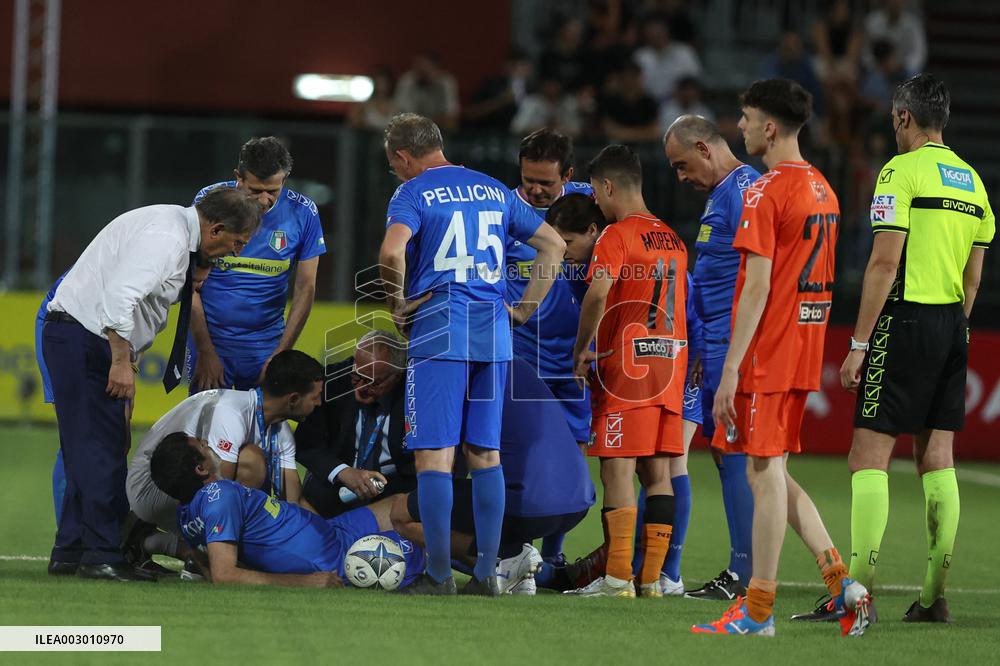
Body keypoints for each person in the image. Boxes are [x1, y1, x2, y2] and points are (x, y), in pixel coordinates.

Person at [691, 79, 869, 637]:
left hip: (768, 352)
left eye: (745, 118)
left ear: (770, 126)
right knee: (775, 469)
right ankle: (841, 583)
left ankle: (758, 610)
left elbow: (756, 288)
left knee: (762, 473)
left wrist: (730, 369)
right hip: (803, 347)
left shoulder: (764, 192)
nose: (738, 128)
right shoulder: (823, 188)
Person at [378, 113, 565, 595]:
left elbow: (392, 253)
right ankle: (487, 572)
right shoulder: (494, 190)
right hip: (494, 334)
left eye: (393, 164)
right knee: (484, 454)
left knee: (435, 459)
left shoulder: (412, 193)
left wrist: (397, 303)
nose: (394, 172)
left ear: (403, 157)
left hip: (440, 331)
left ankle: (439, 574)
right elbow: (554, 244)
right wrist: (522, 310)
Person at [42, 187, 261, 582]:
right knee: (99, 453)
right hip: (87, 341)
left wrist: (127, 361)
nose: (236, 251)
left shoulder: (171, 229)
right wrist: (122, 362)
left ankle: (71, 551)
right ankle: (101, 554)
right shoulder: (167, 238)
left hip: (84, 339)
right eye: (237, 242)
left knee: (91, 448)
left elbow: (132, 306)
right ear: (216, 229)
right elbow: (119, 298)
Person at [838, 74, 994, 624]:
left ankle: (858, 597)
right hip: (954, 324)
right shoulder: (974, 183)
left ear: (904, 117)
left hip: (903, 319)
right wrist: (953, 330)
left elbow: (883, 262)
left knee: (868, 458)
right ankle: (932, 598)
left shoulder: (900, 171)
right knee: (937, 458)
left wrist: (860, 344)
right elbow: (974, 280)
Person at [548, 192, 701, 596]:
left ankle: (616, 576)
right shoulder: (671, 238)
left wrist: (582, 350)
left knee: (616, 468)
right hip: (670, 362)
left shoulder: (616, 238)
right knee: (658, 474)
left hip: (629, 367)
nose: (564, 254)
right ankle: (651, 579)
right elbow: (688, 298)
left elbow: (598, 295)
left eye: (568, 243)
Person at [390, 358, 596, 595]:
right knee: (501, 478)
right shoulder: (517, 365)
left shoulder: (449, 373)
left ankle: (504, 562)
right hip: (579, 501)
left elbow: (445, 462)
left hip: (528, 507)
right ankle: (527, 569)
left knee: (401, 513)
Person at [663, 114, 761, 600]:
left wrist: (736, 355)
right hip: (717, 346)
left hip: (738, 349)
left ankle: (745, 574)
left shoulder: (747, 190)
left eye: (682, 165)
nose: (681, 177)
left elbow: (765, 274)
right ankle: (744, 570)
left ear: (704, 148)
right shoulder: (724, 195)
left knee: (738, 456)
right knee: (729, 456)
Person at [124, 348, 324, 570]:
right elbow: (218, 492)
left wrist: (328, 535)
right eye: (315, 397)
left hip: (187, 488)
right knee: (252, 462)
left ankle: (150, 541)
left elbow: (293, 502)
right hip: (151, 487)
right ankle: (208, 556)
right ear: (294, 399)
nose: (318, 404)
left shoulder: (281, 431)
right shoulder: (230, 413)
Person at [149, 433, 424, 589]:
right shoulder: (219, 496)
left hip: (334, 532)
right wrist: (307, 582)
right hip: (337, 560)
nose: (207, 443)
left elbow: (209, 567)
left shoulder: (185, 515)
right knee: (421, 535)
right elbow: (224, 575)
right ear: (201, 468)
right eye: (201, 444)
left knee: (402, 504)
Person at [505, 130, 593, 570]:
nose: (535, 190)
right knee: (521, 452)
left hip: (575, 359)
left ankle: (553, 557)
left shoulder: (590, 208)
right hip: (521, 357)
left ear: (570, 176)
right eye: (528, 179)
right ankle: (517, 550)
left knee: (573, 453)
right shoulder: (501, 209)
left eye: (546, 182)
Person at [188, 137, 326, 394]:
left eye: (272, 191)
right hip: (209, 342)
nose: (263, 200)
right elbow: (190, 280)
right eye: (254, 190)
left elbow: (306, 289)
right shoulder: (211, 201)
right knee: (205, 428)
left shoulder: (304, 212)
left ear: (284, 179)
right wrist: (205, 350)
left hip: (265, 347)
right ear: (238, 177)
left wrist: (280, 355)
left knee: (259, 429)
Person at [295, 330, 415, 518]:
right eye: (356, 375)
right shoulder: (332, 383)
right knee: (317, 490)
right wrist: (344, 472)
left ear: (397, 376)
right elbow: (306, 445)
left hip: (392, 485)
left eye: (371, 382)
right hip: (339, 482)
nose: (360, 387)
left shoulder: (414, 393)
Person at [633, 16, 701, 102]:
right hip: (647, 105)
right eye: (650, 30)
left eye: (658, 30)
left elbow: (694, 82)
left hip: (679, 104)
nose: (654, 34)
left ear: (666, 30)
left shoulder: (684, 52)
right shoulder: (640, 56)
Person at [394, 53, 460, 131]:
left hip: (440, 132)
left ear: (436, 68)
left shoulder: (446, 83)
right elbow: (401, 117)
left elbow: (451, 120)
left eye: (426, 66)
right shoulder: (407, 81)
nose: (422, 70)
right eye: (419, 66)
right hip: (411, 133)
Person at [864, 0, 927, 77]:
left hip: (904, 67)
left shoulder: (913, 24)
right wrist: (876, 65)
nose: (895, 3)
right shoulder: (872, 22)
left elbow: (919, 53)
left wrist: (902, 65)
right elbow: (865, 52)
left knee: (913, 75)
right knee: (873, 79)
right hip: (878, 67)